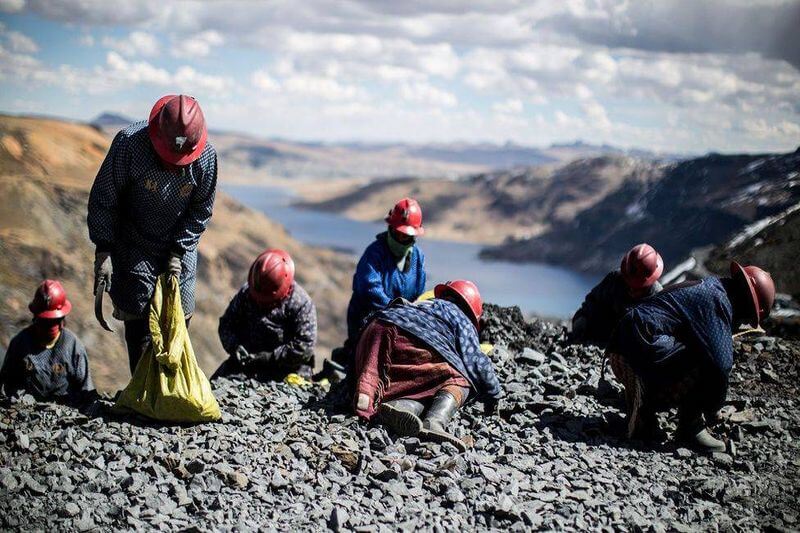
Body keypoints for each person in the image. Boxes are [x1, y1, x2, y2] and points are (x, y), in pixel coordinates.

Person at [87, 94, 217, 373]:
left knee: (179, 316)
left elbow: (200, 211)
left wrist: (178, 252)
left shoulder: (206, 158)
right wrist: (104, 249)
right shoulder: (129, 144)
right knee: (138, 320)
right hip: (134, 242)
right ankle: (144, 395)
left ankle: (172, 393)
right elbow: (104, 198)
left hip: (178, 246)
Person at [606, 262, 775, 452]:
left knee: (697, 348)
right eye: (747, 317)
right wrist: (713, 408)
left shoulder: (710, 289)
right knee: (706, 357)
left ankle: (646, 416)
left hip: (623, 349)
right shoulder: (718, 300)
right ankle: (690, 428)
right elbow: (721, 364)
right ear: (746, 304)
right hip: (638, 354)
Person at [353, 280, 502, 452]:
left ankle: (396, 405)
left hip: (376, 328)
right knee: (458, 379)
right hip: (411, 338)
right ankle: (435, 421)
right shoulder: (461, 316)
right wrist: (494, 394)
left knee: (424, 380)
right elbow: (476, 361)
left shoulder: (423, 304)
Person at [336, 198, 427, 369]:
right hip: (369, 322)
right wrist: (394, 311)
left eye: (406, 236)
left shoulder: (418, 258)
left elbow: (419, 293)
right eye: (397, 233)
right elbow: (369, 288)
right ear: (390, 228)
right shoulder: (374, 253)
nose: (401, 238)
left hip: (402, 323)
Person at [212, 249, 317, 381]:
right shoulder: (247, 292)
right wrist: (235, 347)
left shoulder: (301, 303)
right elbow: (227, 324)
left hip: (288, 369)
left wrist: (269, 357)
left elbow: (304, 347)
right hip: (247, 364)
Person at [0, 280, 95, 406]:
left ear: (62, 319)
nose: (48, 326)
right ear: (35, 317)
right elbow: (6, 385)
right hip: (26, 412)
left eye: (53, 321)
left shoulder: (72, 346)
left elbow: (86, 390)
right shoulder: (21, 343)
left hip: (65, 414)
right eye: (44, 321)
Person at [572, 243, 664, 346]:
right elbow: (592, 301)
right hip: (601, 335)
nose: (632, 290)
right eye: (629, 283)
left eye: (638, 287)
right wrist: (581, 322)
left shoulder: (658, 299)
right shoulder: (614, 279)